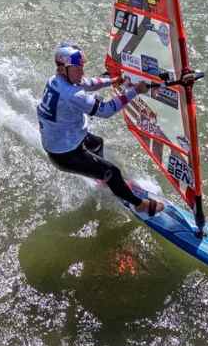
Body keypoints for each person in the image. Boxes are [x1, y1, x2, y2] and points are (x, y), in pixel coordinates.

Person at [36, 42, 166, 216]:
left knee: (97, 143)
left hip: (64, 139)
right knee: (113, 172)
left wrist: (112, 80)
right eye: (77, 69)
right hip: (64, 154)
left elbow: (88, 82)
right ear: (62, 70)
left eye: (81, 67)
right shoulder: (71, 94)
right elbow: (105, 111)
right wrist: (135, 91)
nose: (81, 72)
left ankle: (103, 178)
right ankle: (139, 204)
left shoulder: (56, 79)